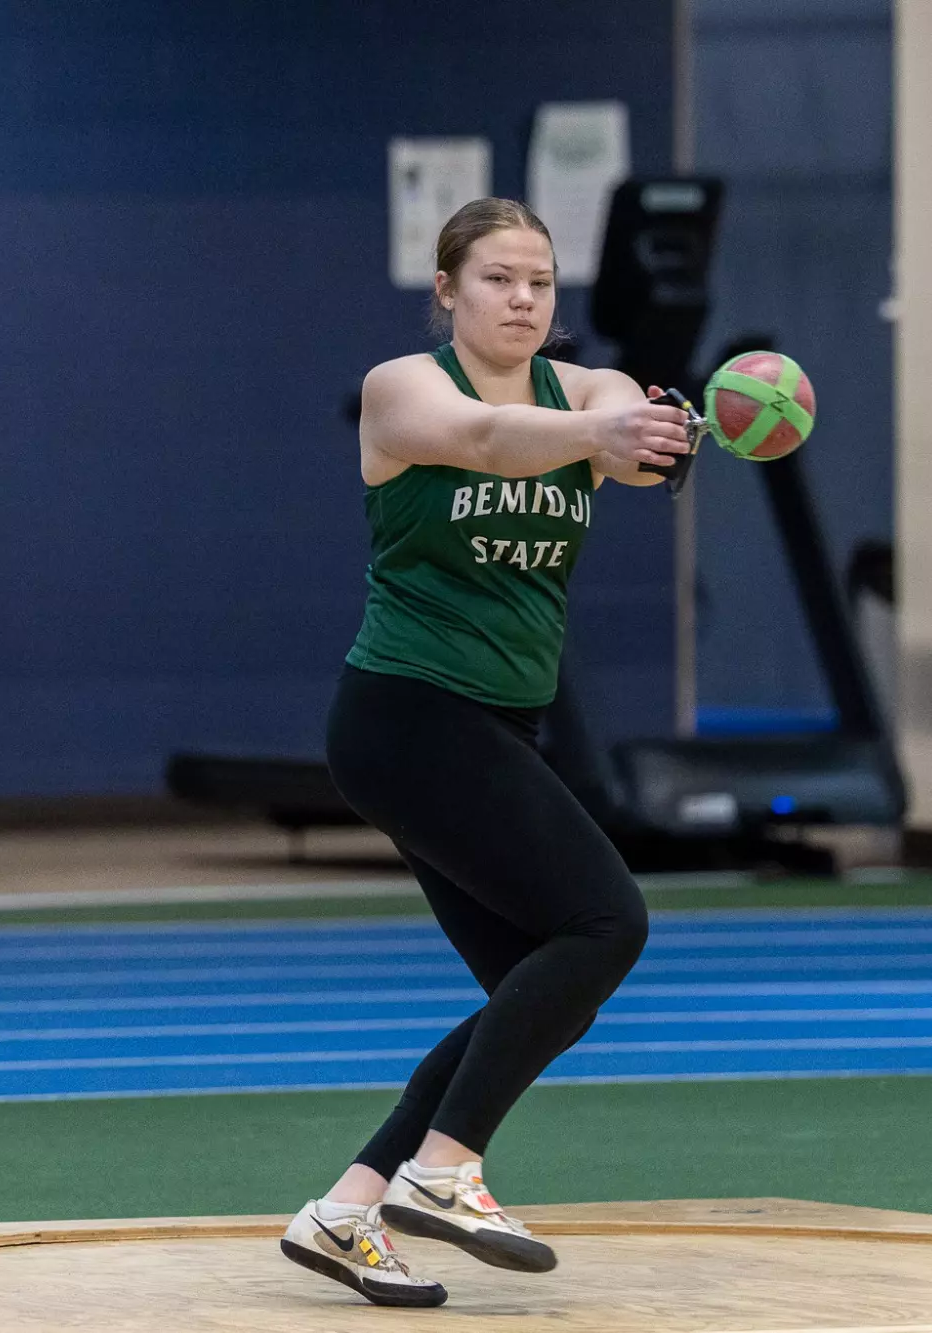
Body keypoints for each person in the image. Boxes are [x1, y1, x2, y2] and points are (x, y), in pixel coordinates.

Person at [278, 197, 691, 1307]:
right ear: (447, 291)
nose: (521, 299)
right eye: (498, 279)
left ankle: (346, 1208)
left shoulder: (586, 392)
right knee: (608, 920)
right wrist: (602, 439)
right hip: (407, 714)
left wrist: (670, 432)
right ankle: (446, 1169)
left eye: (540, 283)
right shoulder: (399, 388)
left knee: (533, 982)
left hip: (497, 723)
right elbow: (478, 441)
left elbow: (632, 442)